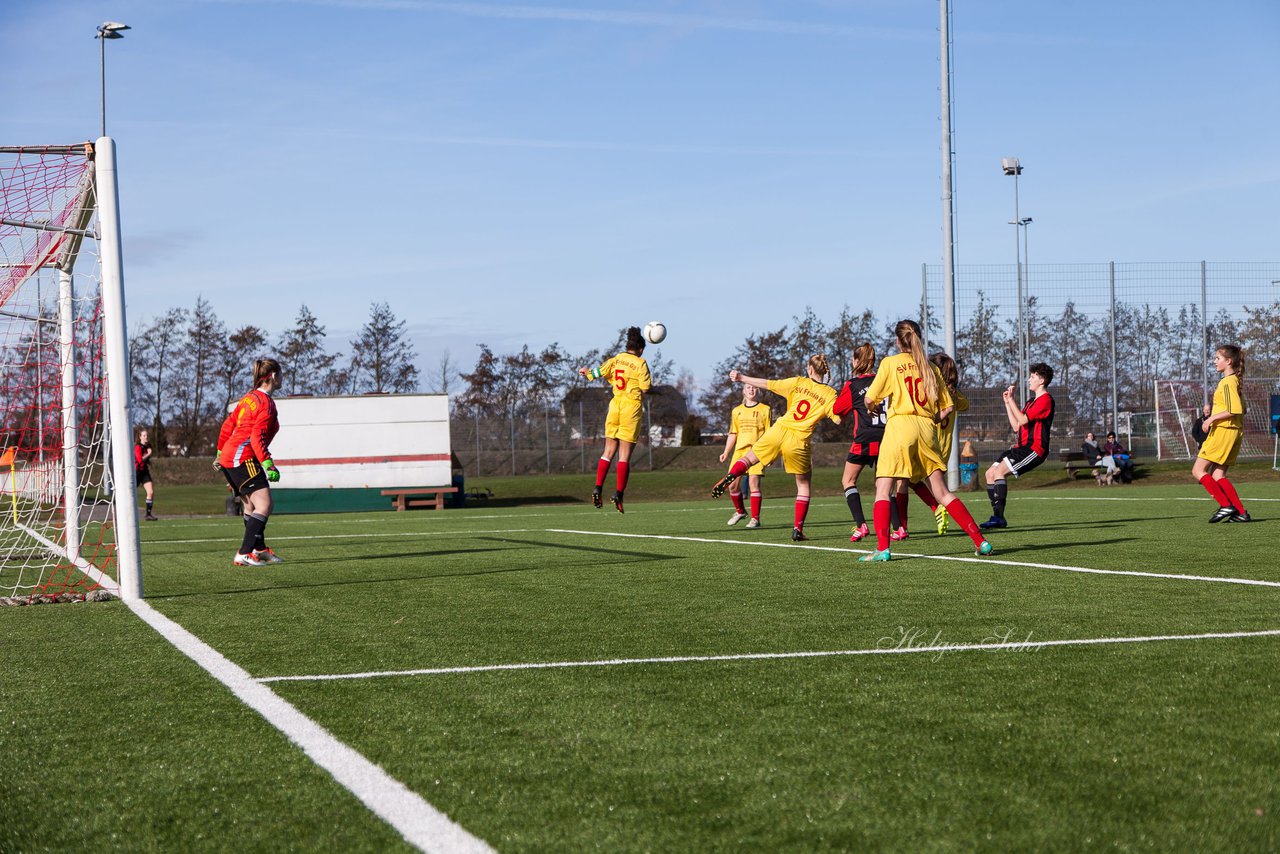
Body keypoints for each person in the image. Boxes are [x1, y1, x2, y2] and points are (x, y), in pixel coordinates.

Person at [858, 320, 991, 561]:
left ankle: (883, 549)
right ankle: (980, 542)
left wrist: (872, 408)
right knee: (942, 492)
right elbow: (948, 406)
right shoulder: (930, 367)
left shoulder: (890, 363)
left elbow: (869, 399)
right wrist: (929, 418)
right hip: (927, 429)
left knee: (883, 488)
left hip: (900, 427)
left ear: (898, 341)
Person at [711, 354, 841, 542]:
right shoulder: (830, 394)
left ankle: (732, 474)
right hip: (799, 439)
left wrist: (741, 378)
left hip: (779, 429)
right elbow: (838, 419)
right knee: (803, 485)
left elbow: (768, 384)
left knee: (747, 459)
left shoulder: (798, 382)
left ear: (810, 369)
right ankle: (797, 529)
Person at [216, 358, 285, 566]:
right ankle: (244, 552)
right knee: (265, 504)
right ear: (273, 376)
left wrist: (220, 453)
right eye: (281, 374)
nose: (282, 378)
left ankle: (259, 549)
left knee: (251, 506)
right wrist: (268, 463)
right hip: (242, 457)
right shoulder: (266, 403)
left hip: (233, 456)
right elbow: (257, 436)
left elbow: (228, 425)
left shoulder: (248, 398)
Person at [578, 326, 652, 513]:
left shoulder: (616, 359)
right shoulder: (641, 363)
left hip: (615, 406)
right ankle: (618, 494)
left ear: (627, 345)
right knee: (624, 455)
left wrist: (586, 371)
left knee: (608, 451)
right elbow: (645, 389)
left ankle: (598, 487)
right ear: (641, 349)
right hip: (631, 409)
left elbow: (594, 374)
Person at [901, 352, 969, 537]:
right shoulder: (955, 395)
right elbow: (965, 405)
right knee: (931, 486)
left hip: (929, 445)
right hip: (945, 450)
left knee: (906, 480)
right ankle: (934, 510)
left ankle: (905, 526)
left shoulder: (933, 393)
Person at [980, 363, 1056, 530]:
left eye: (1033, 376)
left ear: (1042, 380)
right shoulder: (1031, 402)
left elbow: (1022, 420)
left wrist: (1012, 400)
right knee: (990, 473)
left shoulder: (1046, 400)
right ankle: (997, 516)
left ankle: (998, 517)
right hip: (1020, 447)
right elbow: (1016, 426)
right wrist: (1008, 403)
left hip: (1034, 449)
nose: (1029, 379)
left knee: (999, 472)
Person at [833, 343, 886, 543]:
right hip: (885, 437)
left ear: (857, 361)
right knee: (884, 485)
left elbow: (838, 408)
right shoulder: (883, 380)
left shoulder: (853, 384)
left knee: (848, 481)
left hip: (863, 439)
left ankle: (861, 525)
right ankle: (898, 528)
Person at [1193, 344, 1250, 523]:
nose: (1215, 361)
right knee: (1218, 475)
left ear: (1228, 361)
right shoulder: (1235, 381)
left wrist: (1210, 419)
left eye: (1218, 358)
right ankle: (1241, 512)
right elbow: (1244, 409)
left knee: (1198, 470)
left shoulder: (1227, 382)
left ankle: (1225, 505)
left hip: (1223, 432)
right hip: (1233, 432)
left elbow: (1235, 409)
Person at [719, 383, 772, 528]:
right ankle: (740, 512)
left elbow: (769, 434)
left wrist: (770, 455)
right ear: (743, 391)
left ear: (758, 390)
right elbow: (733, 433)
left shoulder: (765, 409)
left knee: (753, 484)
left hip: (757, 452)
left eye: (754, 387)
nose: (751, 390)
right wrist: (726, 452)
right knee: (732, 486)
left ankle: (755, 519)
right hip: (739, 453)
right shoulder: (737, 411)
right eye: (748, 387)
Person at [134, 428, 158, 521]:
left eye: (147, 435)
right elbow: (140, 460)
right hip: (137, 471)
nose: (146, 437)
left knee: (150, 492)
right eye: (144, 435)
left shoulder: (148, 446)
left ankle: (148, 514)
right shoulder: (137, 447)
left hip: (144, 472)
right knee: (131, 493)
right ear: (140, 437)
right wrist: (148, 454)